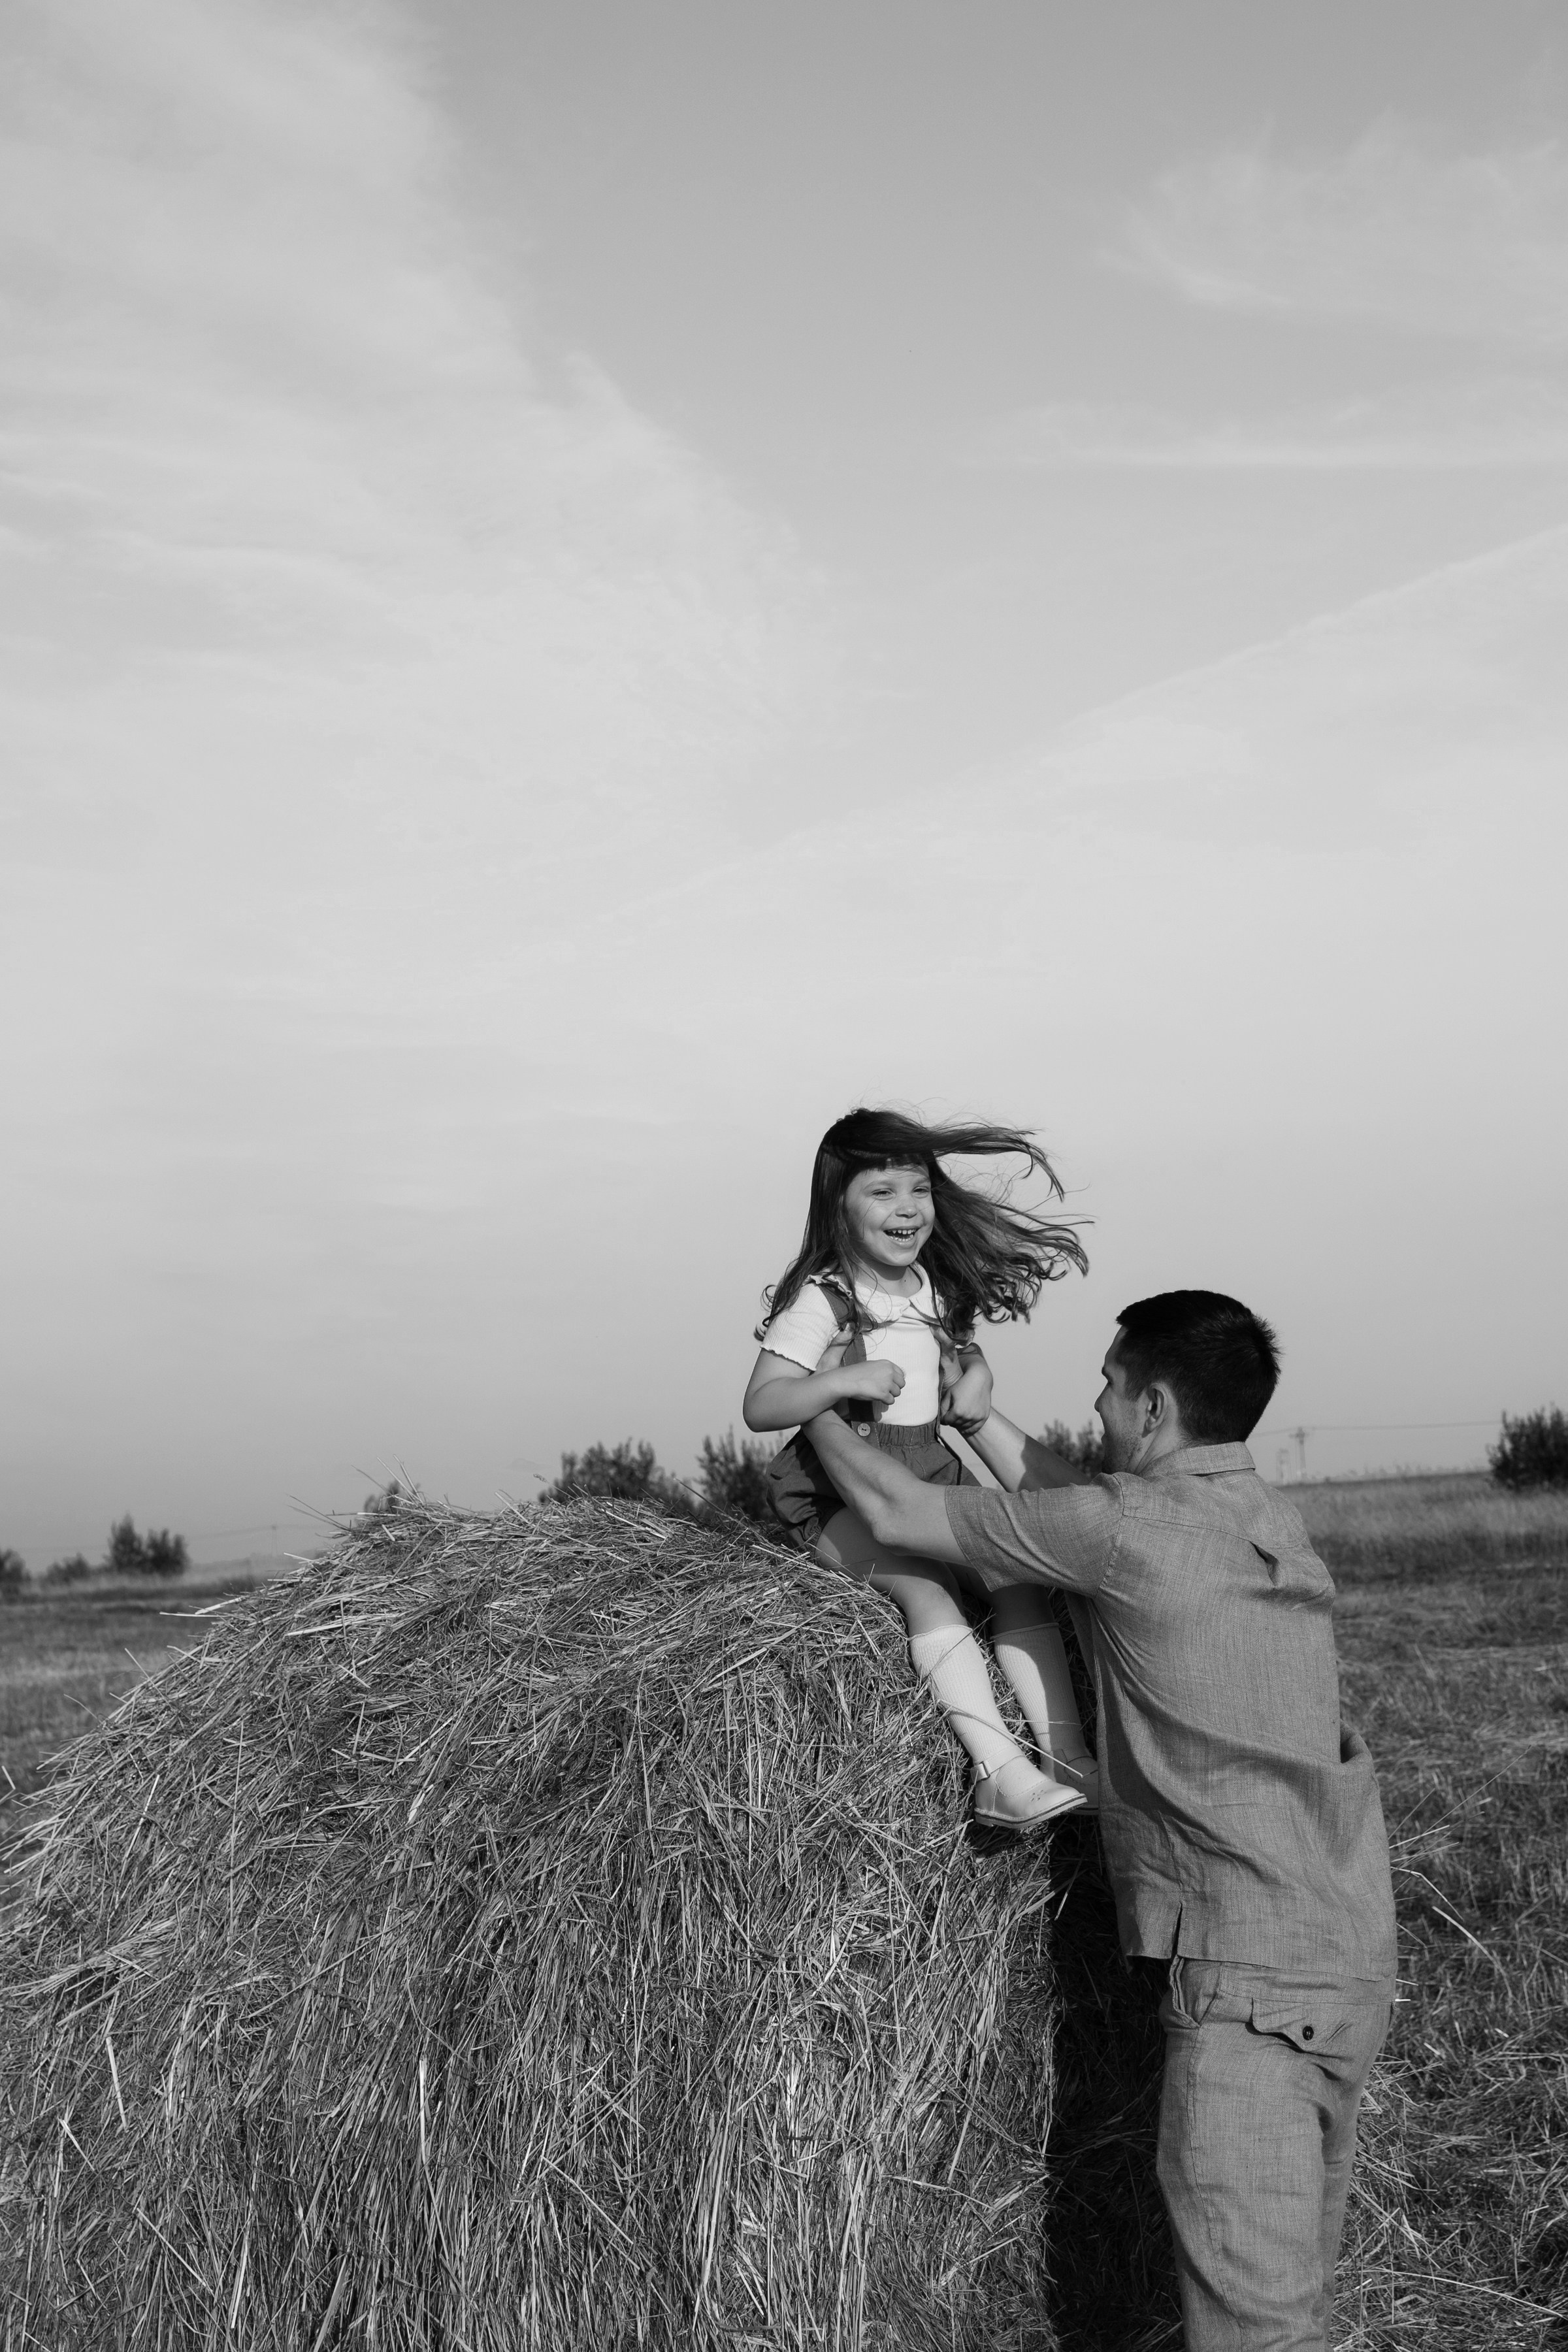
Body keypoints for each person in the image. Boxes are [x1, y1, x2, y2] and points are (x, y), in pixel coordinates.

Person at [801, 1288, 1399, 2352]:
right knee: (1293, 2307)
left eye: (1111, 1390)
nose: (1098, 1406)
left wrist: (810, 1401)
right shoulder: (1267, 1521)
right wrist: (978, 1422)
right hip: (1346, 1965)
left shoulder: (1125, 1533)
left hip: (1251, 1999)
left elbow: (899, 1517)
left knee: (1258, 2339)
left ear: (1156, 1407)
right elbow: (1081, 1509)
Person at [743, 1107, 1098, 1829]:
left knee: (1017, 1581)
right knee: (926, 1589)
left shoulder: (934, 1288)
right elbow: (762, 1403)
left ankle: (1071, 1758)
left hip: (934, 1467)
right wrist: (839, 1383)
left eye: (918, 1189)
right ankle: (999, 1771)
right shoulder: (825, 1296)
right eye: (882, 1192)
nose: (906, 1208)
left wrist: (978, 1376)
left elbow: (959, 1356)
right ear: (837, 1208)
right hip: (839, 1486)